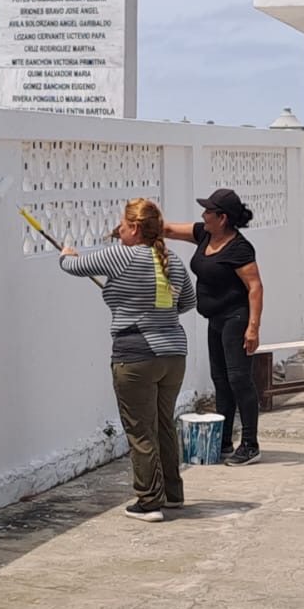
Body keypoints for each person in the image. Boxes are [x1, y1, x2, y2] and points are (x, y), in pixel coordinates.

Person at [60, 199, 197, 522]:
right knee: (164, 423)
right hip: (173, 354)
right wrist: (156, 311)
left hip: (136, 355)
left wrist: (66, 254)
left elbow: (74, 267)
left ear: (134, 228)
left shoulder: (121, 255)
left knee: (140, 430)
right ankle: (172, 494)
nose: (118, 230)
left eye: (122, 224)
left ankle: (149, 502)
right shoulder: (173, 261)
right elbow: (187, 302)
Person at [165, 188, 266, 466]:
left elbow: (255, 287)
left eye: (208, 211)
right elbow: (169, 230)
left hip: (237, 319)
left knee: (239, 380)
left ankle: (250, 444)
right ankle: (223, 441)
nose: (203, 215)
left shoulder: (239, 248)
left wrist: (253, 328)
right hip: (216, 319)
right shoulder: (204, 234)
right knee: (220, 380)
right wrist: (140, 225)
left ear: (222, 218)